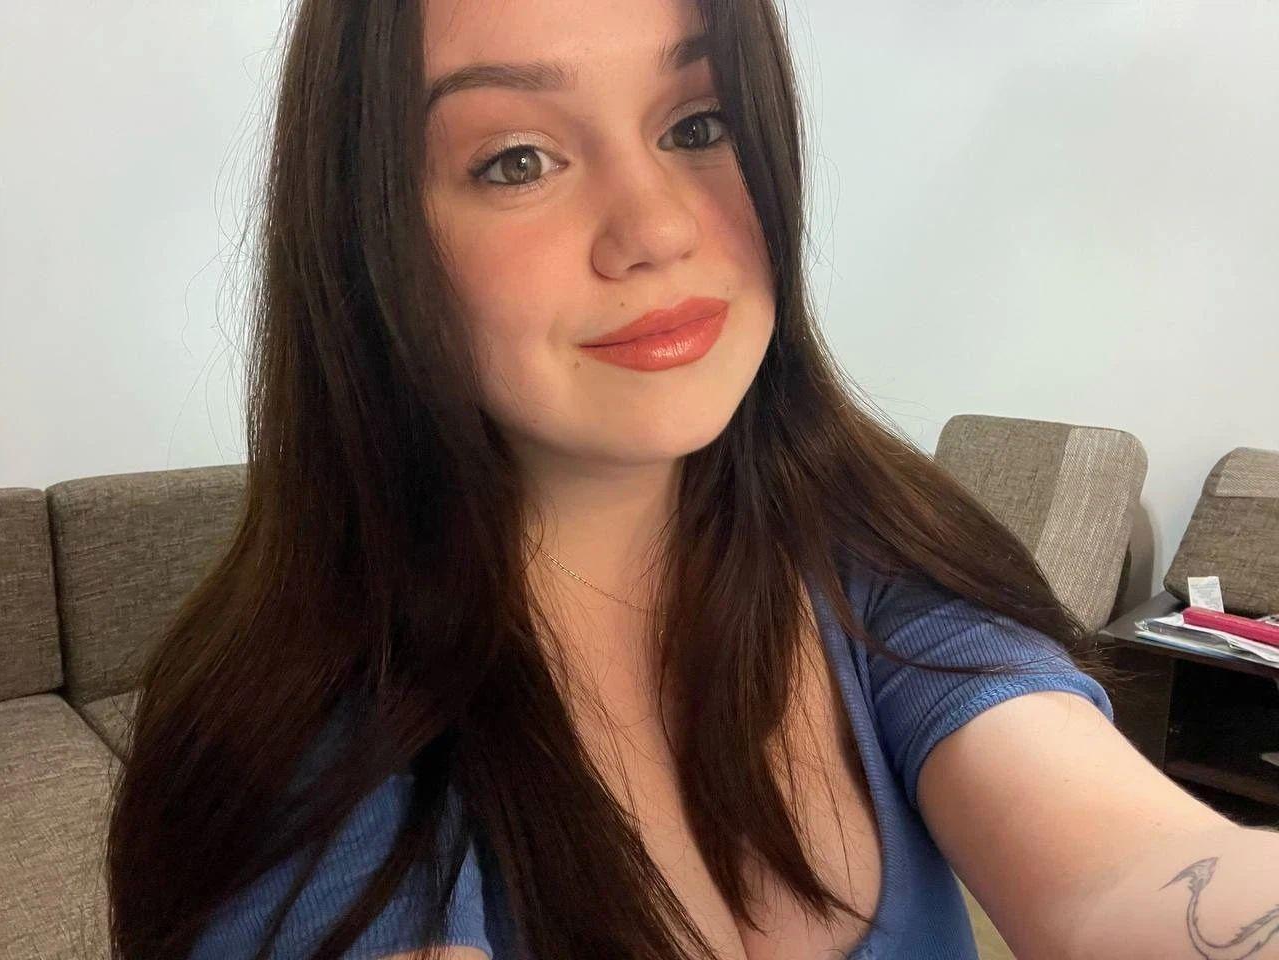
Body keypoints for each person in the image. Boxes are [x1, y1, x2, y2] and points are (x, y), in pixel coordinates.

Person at [105, 0, 1279, 958]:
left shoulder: (887, 566)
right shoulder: (316, 751)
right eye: (516, 159)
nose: (657, 229)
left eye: (697, 124)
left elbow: (1132, 871)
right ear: (370, 238)